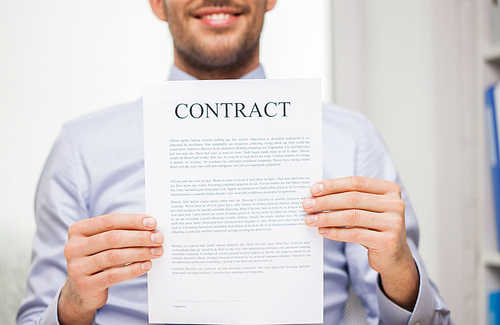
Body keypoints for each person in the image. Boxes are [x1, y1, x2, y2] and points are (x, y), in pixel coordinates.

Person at [17, 0, 453, 324]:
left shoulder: (352, 138)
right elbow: (35, 315)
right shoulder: (81, 148)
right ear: (156, 3)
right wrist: (73, 303)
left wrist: (398, 271)